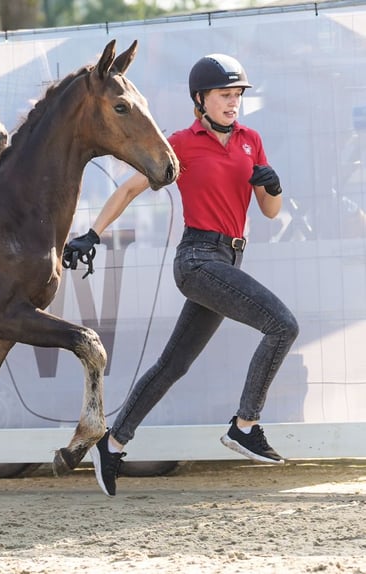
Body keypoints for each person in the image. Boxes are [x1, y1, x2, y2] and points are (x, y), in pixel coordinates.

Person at [62, 53, 299, 496]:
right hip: (197, 259)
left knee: (173, 364)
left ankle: (112, 444)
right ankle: (245, 425)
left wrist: (273, 186)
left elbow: (269, 211)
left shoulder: (251, 140)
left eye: (237, 96)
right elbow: (131, 187)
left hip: (230, 261)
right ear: (200, 99)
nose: (233, 103)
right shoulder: (180, 144)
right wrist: (92, 234)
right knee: (283, 325)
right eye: (224, 96)